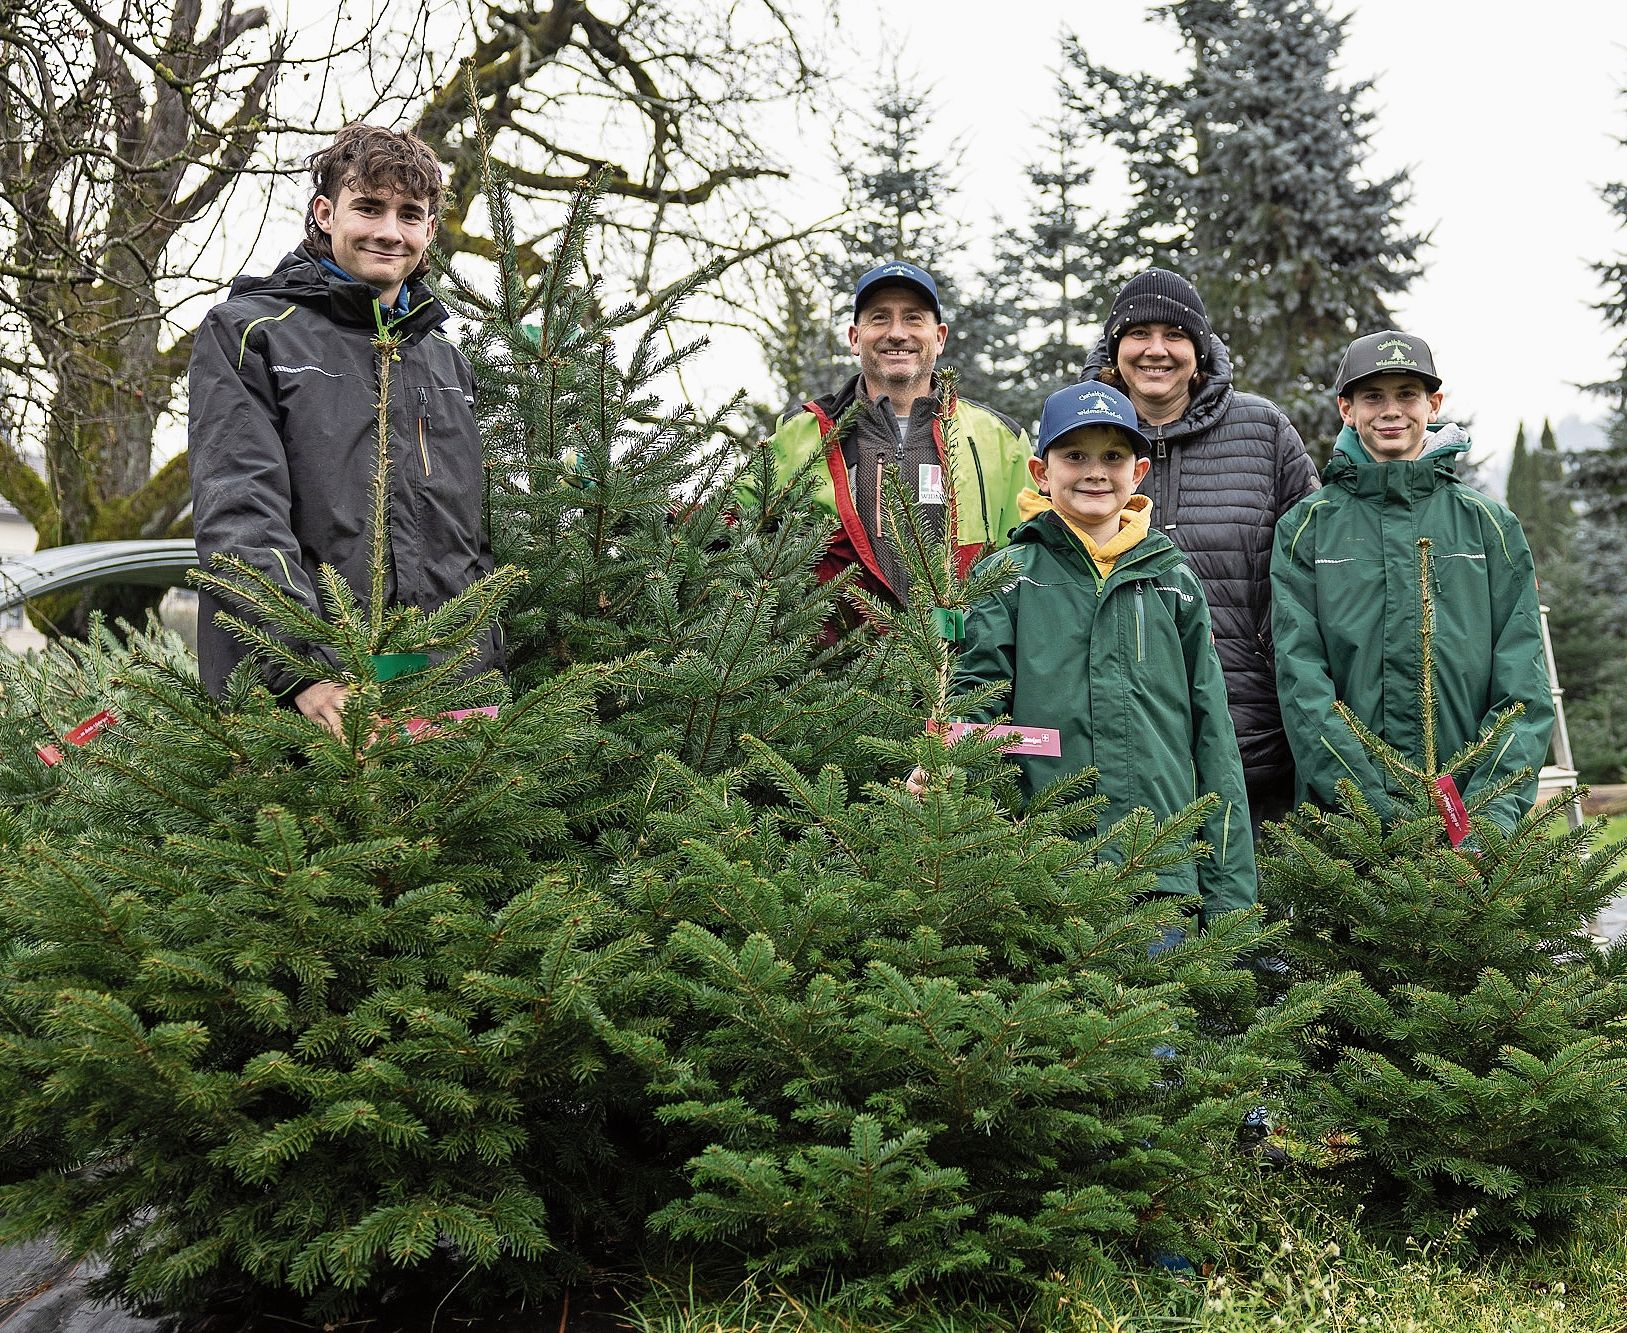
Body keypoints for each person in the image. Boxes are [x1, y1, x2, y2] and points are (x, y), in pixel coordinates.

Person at [188, 122, 500, 733]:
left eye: (410, 214)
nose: (389, 231)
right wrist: (304, 672)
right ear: (325, 213)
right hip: (304, 705)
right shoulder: (251, 333)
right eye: (369, 207)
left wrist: (476, 676)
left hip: (443, 703)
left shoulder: (445, 361)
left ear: (429, 231)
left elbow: (471, 539)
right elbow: (240, 511)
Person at [919, 380, 1255, 920]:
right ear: (1041, 473)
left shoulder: (1174, 583)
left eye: (1113, 456)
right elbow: (972, 710)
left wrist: (1230, 902)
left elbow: (1214, 739)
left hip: (1160, 875)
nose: (1095, 471)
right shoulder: (1007, 580)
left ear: (1137, 473)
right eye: (1075, 455)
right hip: (1040, 873)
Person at [1271, 331, 1554, 832]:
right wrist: (1370, 808)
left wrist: (1484, 820)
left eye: (1407, 394)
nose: (1391, 410)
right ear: (1346, 408)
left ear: (1433, 403)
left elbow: (1523, 687)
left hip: (1471, 824)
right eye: (1373, 396)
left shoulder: (1489, 527)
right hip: (1350, 827)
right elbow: (1301, 681)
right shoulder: (1307, 529)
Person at [1079, 269, 1318, 829]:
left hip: (1252, 734)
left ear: (1200, 348)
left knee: (1250, 911)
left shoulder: (1263, 432)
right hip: (1115, 740)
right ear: (1116, 348)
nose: (1156, 350)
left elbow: (1312, 576)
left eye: (1175, 335)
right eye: (1139, 333)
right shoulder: (1078, 435)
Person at [764, 260, 1031, 610]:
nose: (897, 333)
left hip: (962, 661)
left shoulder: (1002, 440)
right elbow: (731, 528)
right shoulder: (801, 434)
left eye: (913, 318)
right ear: (855, 338)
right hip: (838, 660)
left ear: (939, 338)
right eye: (879, 318)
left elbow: (1031, 558)